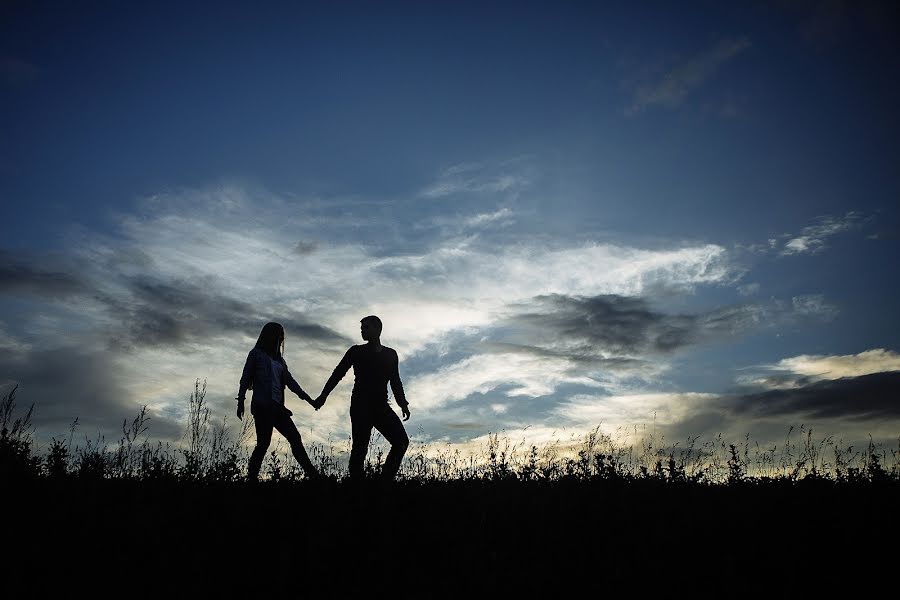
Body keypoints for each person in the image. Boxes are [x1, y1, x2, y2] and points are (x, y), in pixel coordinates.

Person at [314, 315, 410, 480]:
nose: (362, 331)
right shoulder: (356, 351)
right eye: (361, 328)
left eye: (366, 327)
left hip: (381, 407)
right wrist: (324, 395)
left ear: (378, 329)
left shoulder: (390, 355)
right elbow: (338, 373)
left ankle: (385, 481)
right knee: (360, 449)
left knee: (401, 442)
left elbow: (395, 380)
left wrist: (403, 404)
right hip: (360, 407)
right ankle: (356, 487)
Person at [236, 321, 320, 481]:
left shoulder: (280, 362)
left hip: (278, 408)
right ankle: (251, 477)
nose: (281, 339)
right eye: (279, 335)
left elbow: (291, 383)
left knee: (295, 437)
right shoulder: (256, 354)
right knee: (263, 443)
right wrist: (240, 400)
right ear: (270, 336)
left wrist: (310, 400)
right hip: (262, 406)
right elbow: (245, 378)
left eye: (282, 336)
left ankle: (313, 475)